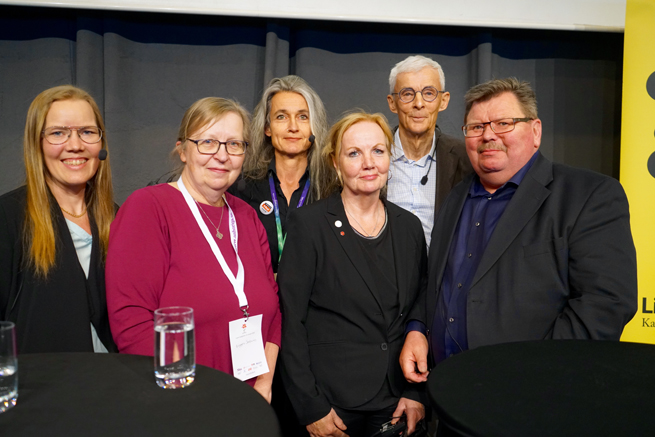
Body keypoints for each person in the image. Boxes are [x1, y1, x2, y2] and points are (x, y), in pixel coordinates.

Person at [400, 78, 638, 384]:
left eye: (503, 123)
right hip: (448, 394)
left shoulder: (589, 195)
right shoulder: (454, 198)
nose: (488, 135)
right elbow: (433, 281)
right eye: (476, 127)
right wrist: (418, 328)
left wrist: (538, 374)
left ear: (535, 131)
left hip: (535, 401)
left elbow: (606, 303)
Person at [106, 97, 280, 401]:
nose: (222, 155)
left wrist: (263, 384)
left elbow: (273, 310)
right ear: (183, 149)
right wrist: (195, 399)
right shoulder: (148, 208)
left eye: (234, 144)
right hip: (183, 404)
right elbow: (132, 325)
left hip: (251, 402)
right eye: (208, 142)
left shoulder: (247, 216)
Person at [278, 112, 427, 437]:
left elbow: (420, 304)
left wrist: (415, 392)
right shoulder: (309, 226)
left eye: (378, 151)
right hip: (330, 401)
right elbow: (290, 322)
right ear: (335, 162)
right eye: (354, 153)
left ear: (390, 157)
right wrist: (311, 406)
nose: (368, 163)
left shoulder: (409, 228)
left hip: (395, 399)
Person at [0, 85, 116, 353]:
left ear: (101, 144)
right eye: (58, 133)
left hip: (113, 384)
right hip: (41, 388)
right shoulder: (7, 218)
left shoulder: (118, 218)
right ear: (36, 144)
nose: (75, 145)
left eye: (87, 132)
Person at [230, 75, 330, 273]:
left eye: (303, 116)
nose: (293, 127)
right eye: (281, 117)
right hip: (258, 299)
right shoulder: (240, 188)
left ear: (314, 126)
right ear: (267, 128)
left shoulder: (332, 189)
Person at [386, 55, 471, 246]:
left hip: (441, 272)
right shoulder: (373, 154)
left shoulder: (464, 158)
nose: (419, 103)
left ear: (443, 100)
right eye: (407, 94)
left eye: (429, 93)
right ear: (392, 103)